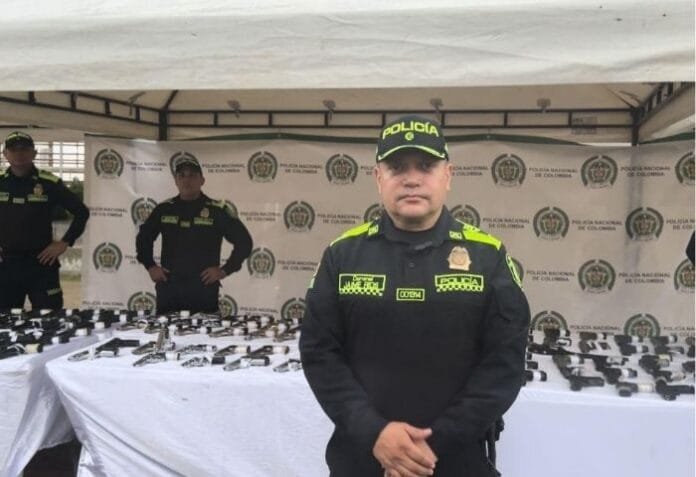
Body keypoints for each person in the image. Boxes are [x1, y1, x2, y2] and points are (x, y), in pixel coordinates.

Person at [300, 115, 530, 477]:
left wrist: (430, 447)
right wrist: (375, 433)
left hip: (455, 462)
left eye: (425, 166)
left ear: (448, 175)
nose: (411, 179)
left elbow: (504, 364)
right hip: (362, 459)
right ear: (378, 178)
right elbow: (319, 353)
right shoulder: (342, 255)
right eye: (396, 167)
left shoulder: (488, 256)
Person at [136, 156, 252, 314]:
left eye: (192, 175)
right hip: (170, 289)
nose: (186, 180)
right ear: (176, 181)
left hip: (203, 291)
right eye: (181, 175)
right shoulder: (164, 209)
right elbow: (144, 238)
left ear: (202, 180)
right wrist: (150, 266)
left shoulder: (217, 210)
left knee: (205, 330)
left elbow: (244, 242)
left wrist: (225, 270)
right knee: (166, 329)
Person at [0, 131, 90, 310]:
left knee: (50, 318)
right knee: (5, 321)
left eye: (24, 149)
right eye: (14, 149)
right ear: (5, 154)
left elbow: (81, 212)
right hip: (6, 264)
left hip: (42, 263)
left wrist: (65, 242)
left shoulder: (49, 183)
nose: (19, 154)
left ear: (34, 153)